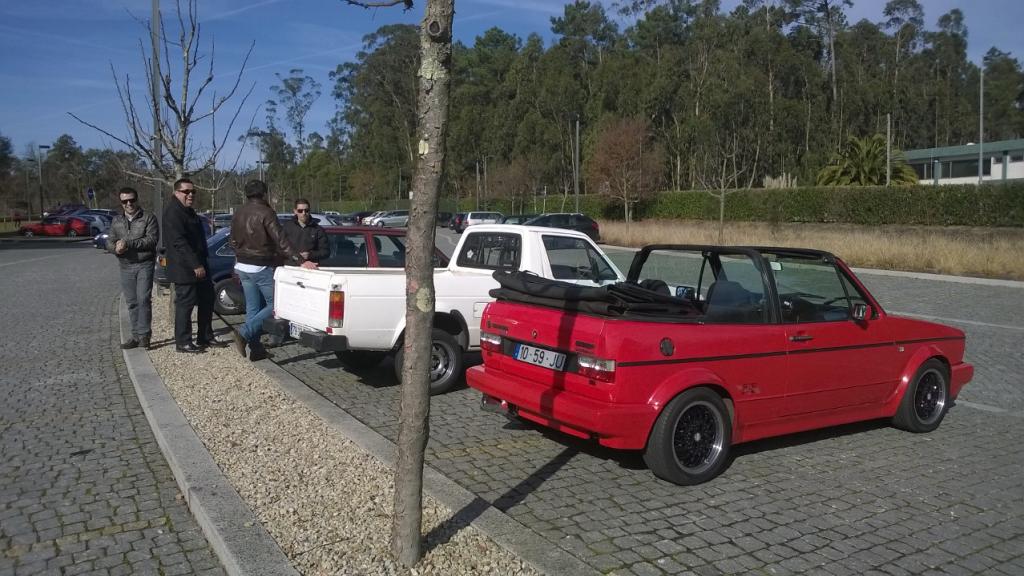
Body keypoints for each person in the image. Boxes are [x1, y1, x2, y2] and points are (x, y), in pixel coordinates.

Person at [230, 180, 317, 361]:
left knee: (253, 310)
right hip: (260, 266)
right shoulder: (266, 212)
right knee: (278, 305)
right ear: (264, 194)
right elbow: (281, 240)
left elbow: (232, 240)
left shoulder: (238, 212)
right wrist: (300, 261)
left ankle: (256, 349)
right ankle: (244, 333)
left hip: (242, 266)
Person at [162, 178, 229, 353]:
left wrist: (203, 262)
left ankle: (205, 336)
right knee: (186, 304)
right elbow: (179, 242)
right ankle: (183, 342)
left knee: (207, 299)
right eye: (186, 192)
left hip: (200, 264)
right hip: (184, 267)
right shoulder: (173, 212)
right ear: (176, 193)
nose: (190, 194)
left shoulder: (188, 211)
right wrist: (195, 265)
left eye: (193, 192)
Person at [108, 186, 159, 350]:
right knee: (131, 302)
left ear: (137, 199)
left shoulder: (148, 218)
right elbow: (109, 240)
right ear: (121, 203)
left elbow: (151, 240)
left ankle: (145, 336)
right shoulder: (117, 220)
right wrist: (114, 247)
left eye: (131, 200)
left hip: (144, 264)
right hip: (125, 266)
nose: (129, 203)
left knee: (143, 299)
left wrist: (128, 244)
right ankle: (135, 336)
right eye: (125, 201)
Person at [281, 198, 330, 264]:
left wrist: (310, 255)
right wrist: (296, 257)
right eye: (300, 211)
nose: (304, 213)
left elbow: (325, 252)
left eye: (306, 210)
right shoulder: (287, 227)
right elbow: (280, 249)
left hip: (310, 269)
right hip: (290, 268)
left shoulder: (318, 229)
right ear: (295, 211)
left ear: (309, 211)